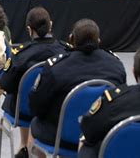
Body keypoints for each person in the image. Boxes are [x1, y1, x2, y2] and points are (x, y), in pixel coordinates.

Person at [28, 19, 126, 154]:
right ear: (98, 41)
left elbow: (36, 105)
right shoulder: (116, 66)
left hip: (61, 138)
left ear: (71, 39)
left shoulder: (56, 67)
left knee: (35, 123)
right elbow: (120, 104)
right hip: (99, 139)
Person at [0, 7, 71, 158]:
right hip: (57, 110)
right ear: (50, 25)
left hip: (24, 112)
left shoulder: (21, 55)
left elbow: (4, 84)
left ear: (29, 29)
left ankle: (24, 144)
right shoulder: (66, 52)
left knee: (21, 92)